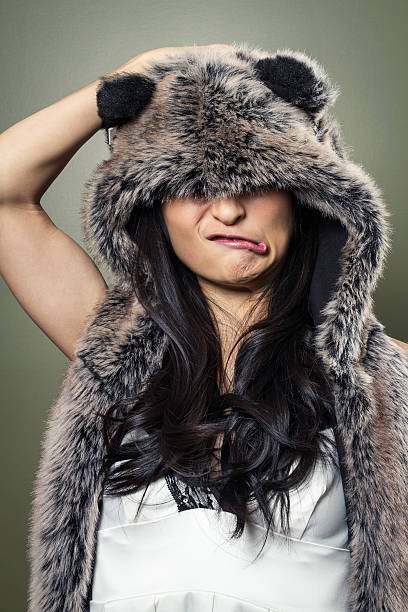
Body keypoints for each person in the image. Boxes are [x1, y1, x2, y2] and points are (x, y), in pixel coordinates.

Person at [1, 43, 407, 612]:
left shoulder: (381, 379)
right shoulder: (111, 353)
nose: (227, 211)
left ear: (305, 197)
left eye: (257, 179)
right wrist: (146, 69)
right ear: (152, 206)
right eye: (194, 185)